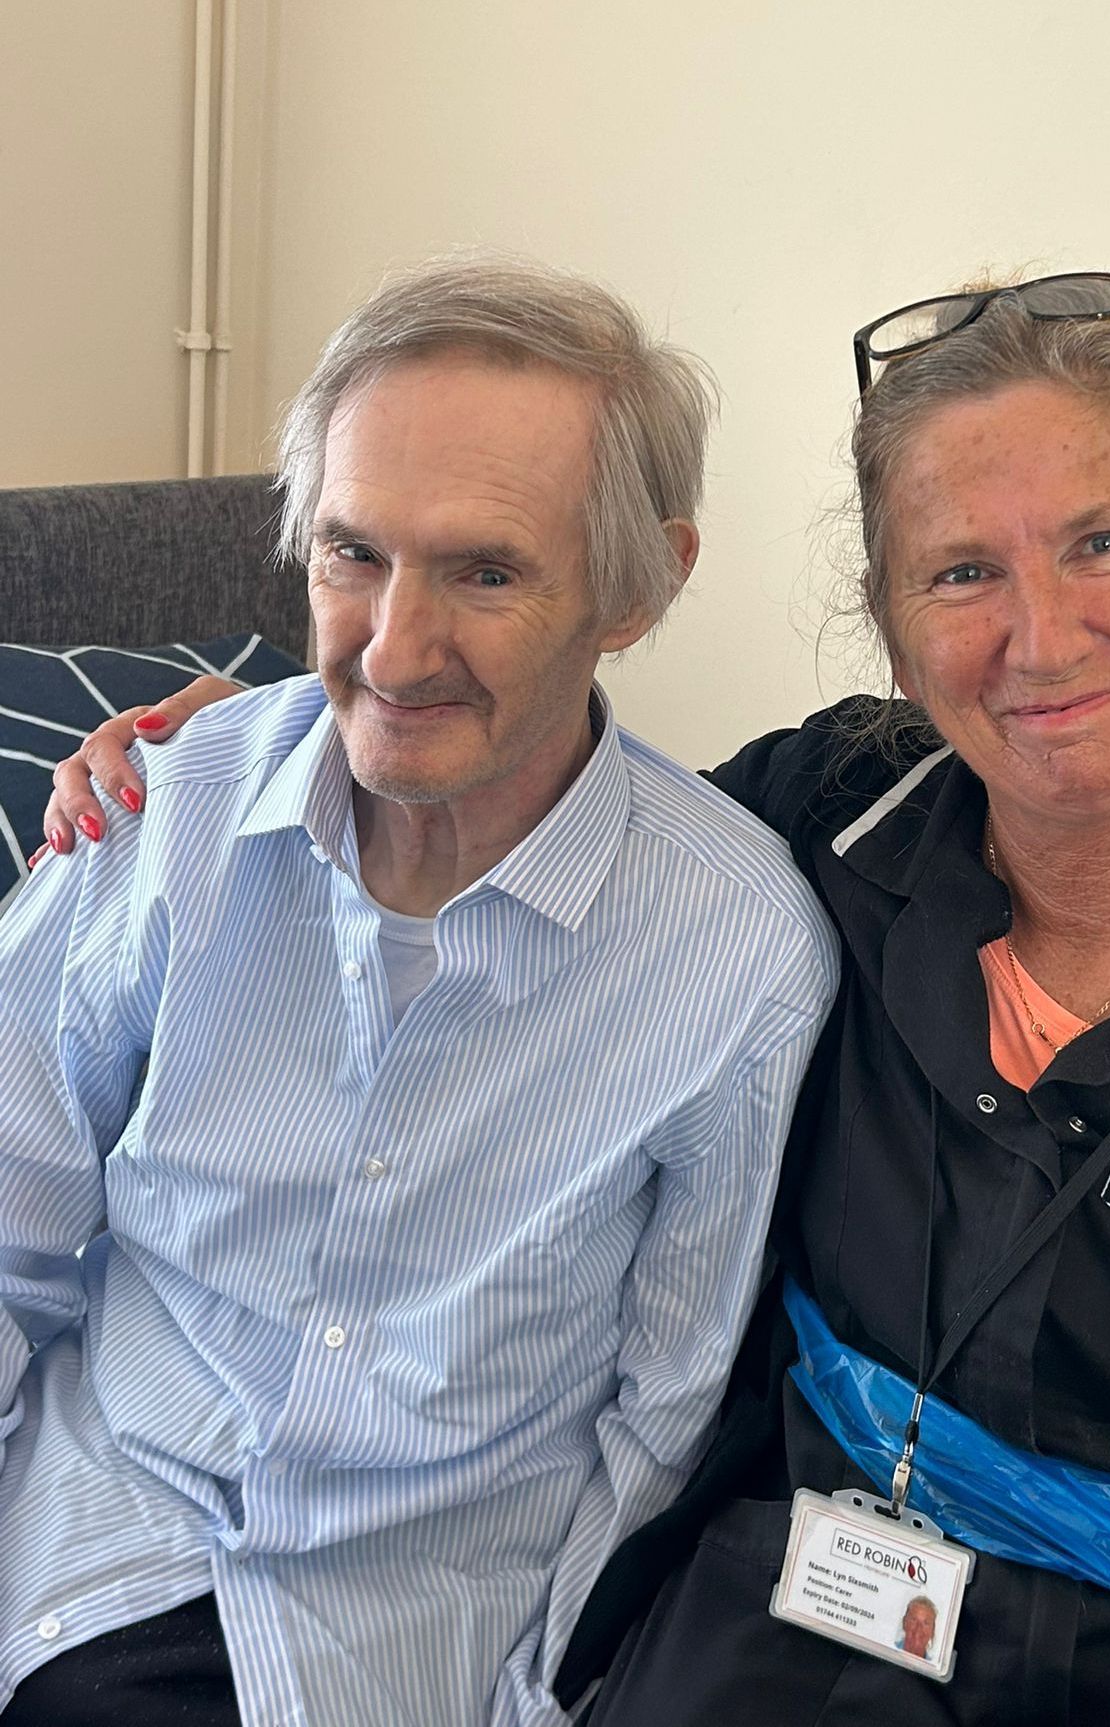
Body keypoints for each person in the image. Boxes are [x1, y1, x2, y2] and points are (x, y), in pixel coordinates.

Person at [45, 270, 1110, 1726]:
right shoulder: (827, 823)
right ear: (889, 622)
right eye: (960, 571)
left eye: (1102, 541)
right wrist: (306, 720)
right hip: (779, 1612)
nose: (1042, 634)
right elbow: (548, 818)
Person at [1, 258, 837, 1725]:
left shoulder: (739, 950)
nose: (391, 650)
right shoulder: (168, 806)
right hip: (88, 1561)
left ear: (641, 584)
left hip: (415, 1649)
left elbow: (664, 1421)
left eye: (487, 570)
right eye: (352, 555)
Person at [897, 1596, 937, 1661]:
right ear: (904, 1623)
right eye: (913, 1620)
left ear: (932, 1631)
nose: (918, 1628)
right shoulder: (886, 1651)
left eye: (926, 1623)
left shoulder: (933, 1668)